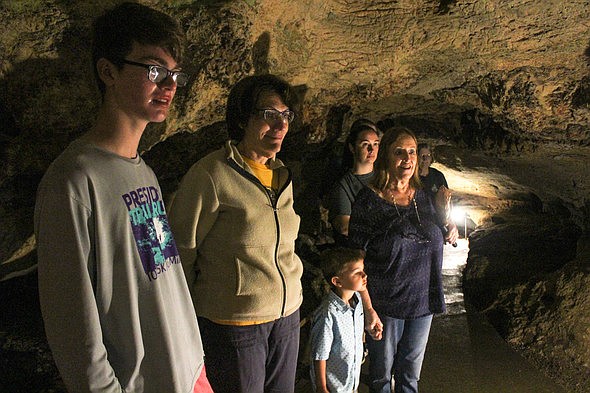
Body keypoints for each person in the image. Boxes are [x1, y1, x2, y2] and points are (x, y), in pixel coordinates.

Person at [34, 3, 212, 392]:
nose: (169, 86)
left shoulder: (143, 171)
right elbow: (73, 329)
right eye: (154, 70)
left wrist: (196, 366)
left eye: (174, 74)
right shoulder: (74, 181)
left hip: (188, 374)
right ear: (108, 71)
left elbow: (163, 279)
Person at [168, 74, 303, 393]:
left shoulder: (281, 175)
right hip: (236, 325)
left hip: (286, 317)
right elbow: (180, 251)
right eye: (269, 115)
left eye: (286, 116)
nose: (280, 125)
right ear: (243, 119)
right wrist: (181, 322)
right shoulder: (212, 175)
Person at [348, 127, 459, 393]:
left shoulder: (421, 197)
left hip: (423, 299)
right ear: (386, 156)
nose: (408, 159)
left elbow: (430, 234)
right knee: (382, 378)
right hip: (386, 303)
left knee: (410, 376)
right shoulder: (369, 201)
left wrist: (447, 225)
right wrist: (368, 308)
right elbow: (356, 260)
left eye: (412, 152)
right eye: (399, 152)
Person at [310, 247, 368, 393]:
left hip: (351, 382)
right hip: (334, 386)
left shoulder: (358, 300)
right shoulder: (328, 313)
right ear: (337, 281)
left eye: (363, 269)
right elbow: (320, 354)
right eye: (357, 273)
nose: (364, 275)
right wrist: (321, 387)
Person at [325, 119, 381, 245]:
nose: (372, 149)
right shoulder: (343, 186)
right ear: (352, 148)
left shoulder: (385, 177)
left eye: (376, 144)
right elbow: (344, 227)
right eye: (365, 144)